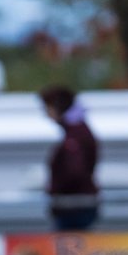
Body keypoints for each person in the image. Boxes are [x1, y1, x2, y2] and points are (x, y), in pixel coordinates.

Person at [39, 85, 98, 232]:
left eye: (48, 108)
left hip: (74, 207)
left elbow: (75, 171)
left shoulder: (75, 135)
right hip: (78, 205)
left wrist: (57, 190)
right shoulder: (78, 131)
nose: (46, 113)